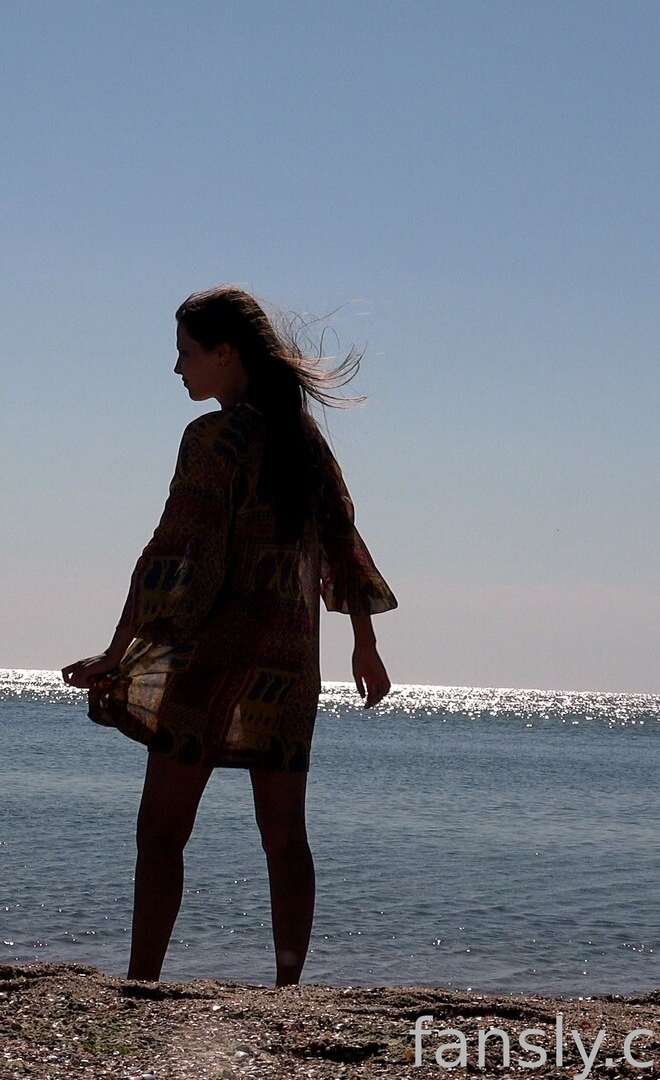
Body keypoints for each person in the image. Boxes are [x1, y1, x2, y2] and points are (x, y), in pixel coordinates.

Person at [61, 285, 396, 987]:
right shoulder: (303, 440)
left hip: (213, 657)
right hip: (289, 663)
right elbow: (342, 540)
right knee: (285, 836)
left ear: (225, 353)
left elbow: (172, 554)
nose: (177, 369)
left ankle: (142, 983)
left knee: (161, 832)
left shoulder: (211, 440)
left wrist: (118, 652)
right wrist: (364, 644)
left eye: (186, 353)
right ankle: (287, 990)